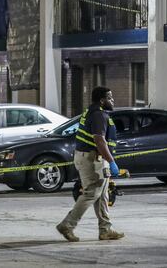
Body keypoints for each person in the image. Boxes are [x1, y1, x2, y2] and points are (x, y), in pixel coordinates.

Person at [56, 86, 124, 242]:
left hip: (93, 158)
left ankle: (105, 229)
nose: (112, 100)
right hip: (92, 160)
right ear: (102, 100)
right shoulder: (98, 115)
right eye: (110, 97)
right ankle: (67, 225)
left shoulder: (92, 111)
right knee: (91, 193)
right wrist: (112, 162)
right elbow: (99, 140)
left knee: (103, 194)